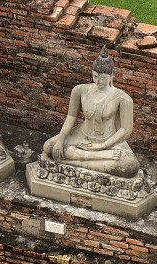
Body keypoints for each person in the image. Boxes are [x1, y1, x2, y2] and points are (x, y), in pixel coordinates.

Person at [42, 46, 140, 179]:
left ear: (111, 76)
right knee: (49, 147)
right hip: (82, 136)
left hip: (108, 140)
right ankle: (93, 158)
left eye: (102, 77)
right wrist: (60, 140)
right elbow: (71, 117)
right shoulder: (80, 90)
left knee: (130, 166)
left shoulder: (123, 98)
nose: (98, 80)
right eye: (95, 76)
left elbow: (125, 130)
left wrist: (102, 146)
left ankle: (70, 159)